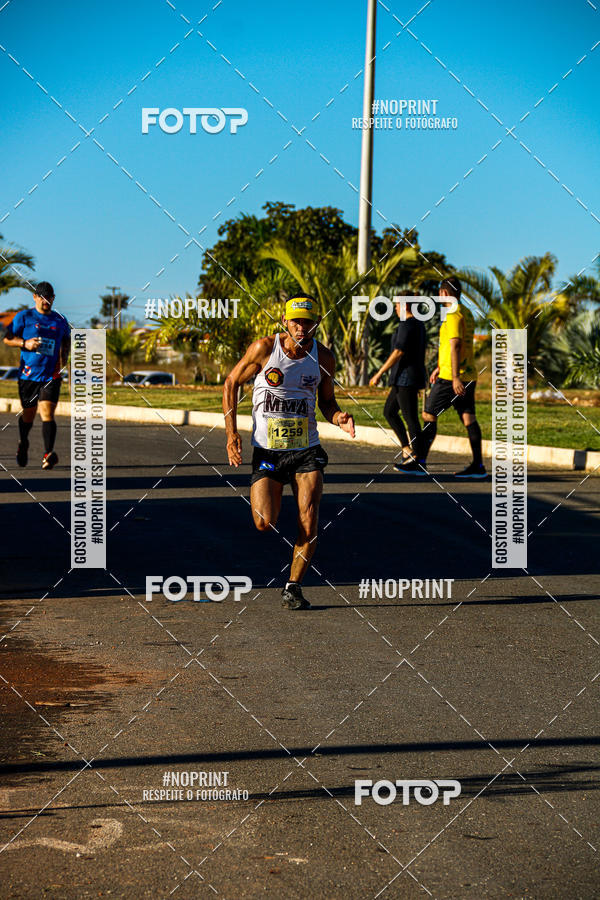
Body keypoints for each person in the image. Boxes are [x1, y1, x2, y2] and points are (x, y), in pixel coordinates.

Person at [223, 294, 355, 610]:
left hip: (306, 449)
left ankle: (293, 587)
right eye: (296, 321)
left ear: (315, 324)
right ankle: (272, 498)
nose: (302, 327)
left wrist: (339, 417)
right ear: (285, 322)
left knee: (309, 520)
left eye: (308, 322)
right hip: (268, 451)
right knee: (264, 522)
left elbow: (326, 401)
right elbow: (230, 383)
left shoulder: (323, 358)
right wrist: (232, 435)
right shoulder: (264, 349)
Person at [399, 275, 486, 478]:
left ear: (443, 293)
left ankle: (420, 462)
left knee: (429, 413)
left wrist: (453, 376)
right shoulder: (466, 313)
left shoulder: (453, 314)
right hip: (467, 374)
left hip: (452, 378)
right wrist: (439, 366)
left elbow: (455, 344)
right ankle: (478, 466)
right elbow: (453, 346)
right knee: (468, 418)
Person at [3, 282, 70, 469]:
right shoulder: (24, 316)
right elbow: (7, 339)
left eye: (49, 297)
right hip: (28, 376)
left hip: (51, 376)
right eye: (41, 296)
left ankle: (48, 454)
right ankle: (23, 443)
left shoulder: (60, 320)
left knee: (47, 413)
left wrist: (65, 358)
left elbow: (66, 341)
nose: (45, 300)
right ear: (35, 297)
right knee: (29, 415)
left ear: (53, 298)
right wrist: (26, 344)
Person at [369, 292, 427, 473]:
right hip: (404, 378)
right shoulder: (418, 324)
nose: (394, 308)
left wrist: (379, 373)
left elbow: (398, 351)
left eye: (396, 305)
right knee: (389, 412)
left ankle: (418, 460)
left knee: (411, 419)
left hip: (406, 378)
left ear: (405, 306)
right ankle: (407, 450)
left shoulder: (407, 325)